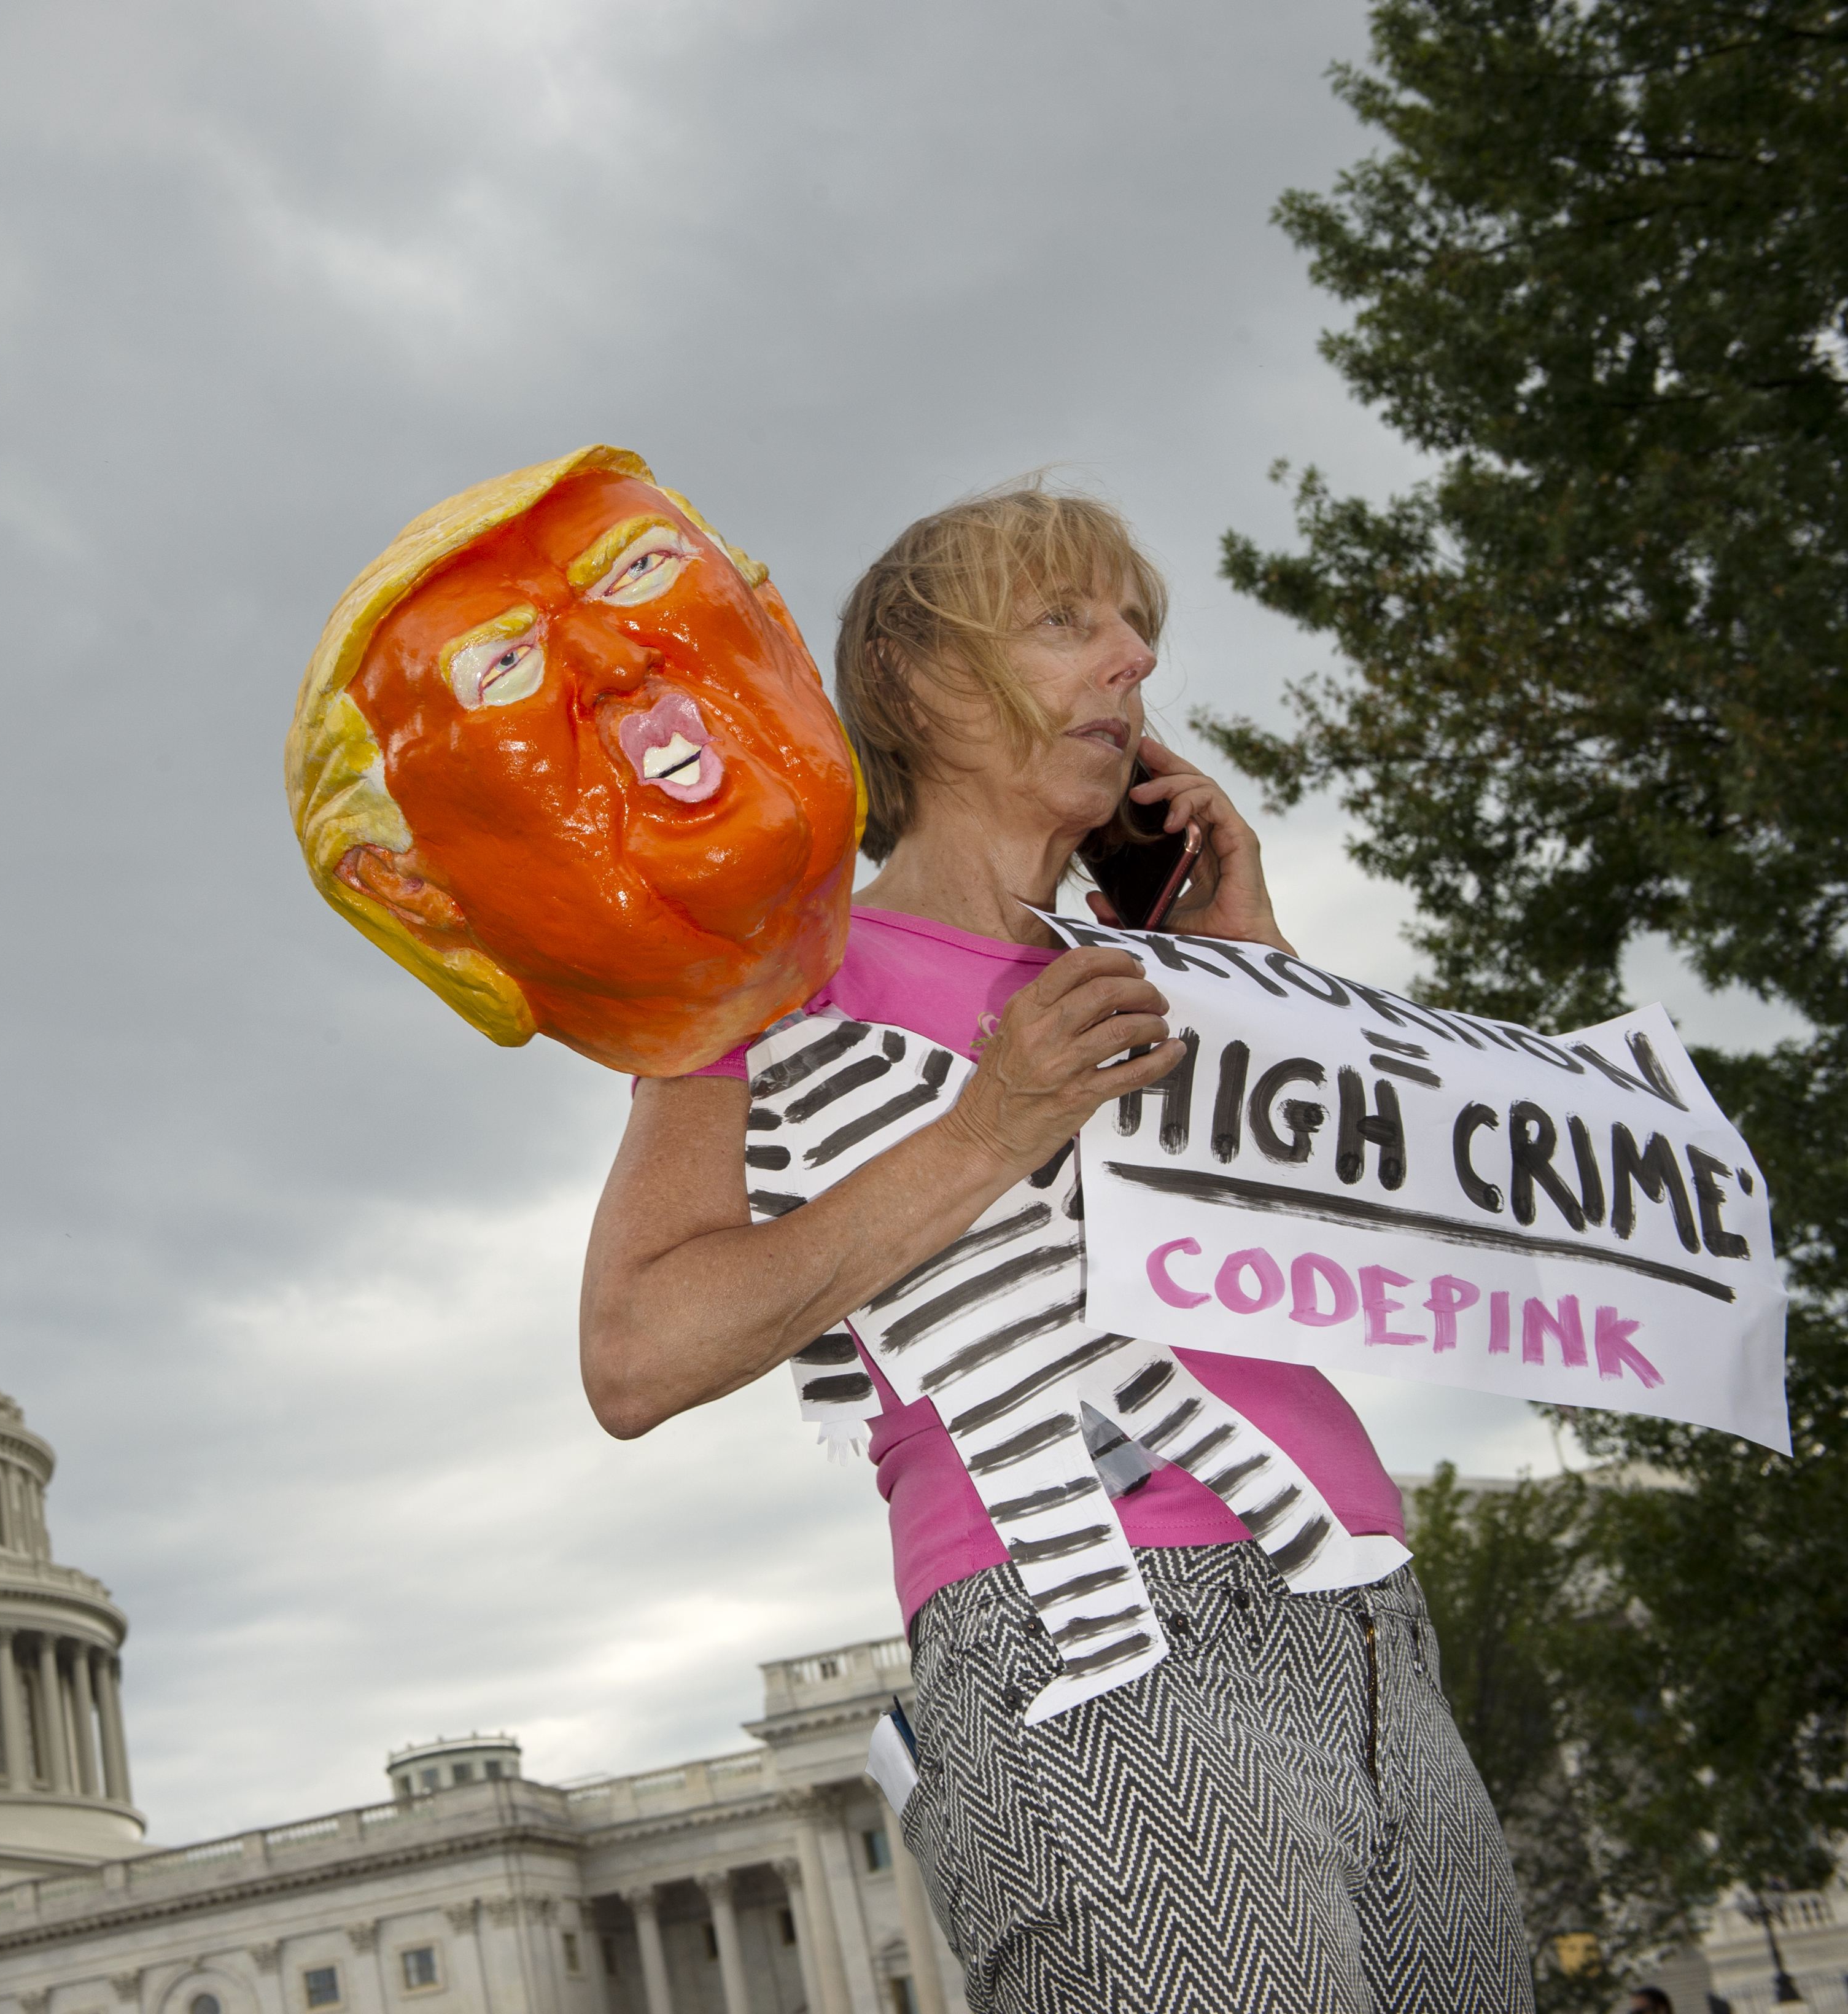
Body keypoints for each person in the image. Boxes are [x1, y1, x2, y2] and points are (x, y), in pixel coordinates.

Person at [577, 482, 1532, 2012]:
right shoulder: (773, 977)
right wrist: (990, 1119)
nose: (1133, 658)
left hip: (1369, 1617)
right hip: (1095, 1630)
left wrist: (1251, 964)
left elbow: (1355, 1255)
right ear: (920, 682)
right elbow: (637, 1350)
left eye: (1137, 625)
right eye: (1067, 620)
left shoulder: (1155, 964)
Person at [289, 445, 863, 1076]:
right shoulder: (688, 1167)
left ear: (778, 624)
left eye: (642, 569)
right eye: (505, 666)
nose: (615, 662)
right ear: (403, 883)